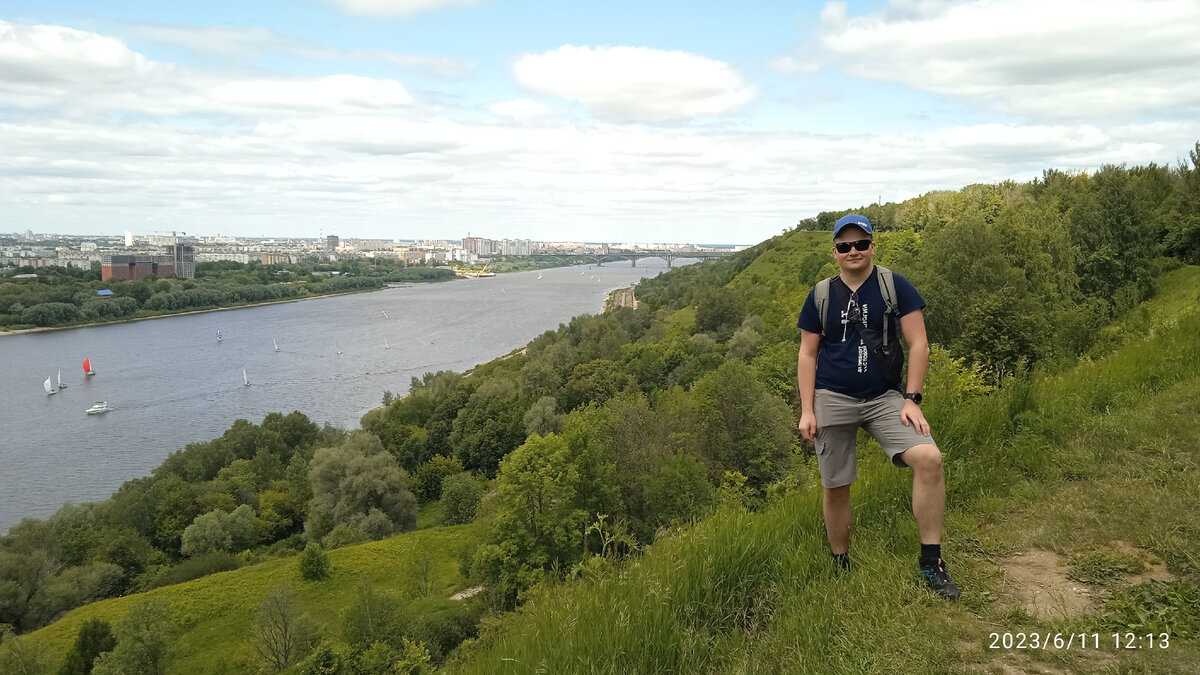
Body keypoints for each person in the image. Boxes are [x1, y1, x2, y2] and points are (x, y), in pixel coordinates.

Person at [795, 213, 960, 600]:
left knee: (929, 459)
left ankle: (931, 562)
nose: (853, 251)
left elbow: (919, 344)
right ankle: (840, 563)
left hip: (885, 396)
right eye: (844, 246)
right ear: (834, 251)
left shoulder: (893, 285)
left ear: (872, 245)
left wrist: (912, 399)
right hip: (831, 396)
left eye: (860, 244)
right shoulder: (821, 294)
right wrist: (807, 409)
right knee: (836, 484)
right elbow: (807, 354)